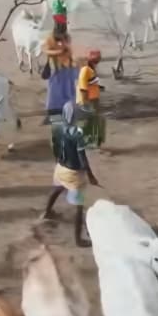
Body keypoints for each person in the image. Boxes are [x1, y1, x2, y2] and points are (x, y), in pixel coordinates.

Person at [43, 102, 100, 247]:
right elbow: (82, 158)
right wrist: (91, 175)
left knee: (57, 189)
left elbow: (55, 147)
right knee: (79, 207)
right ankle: (78, 240)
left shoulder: (58, 127)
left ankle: (47, 212)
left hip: (60, 168)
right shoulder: (77, 133)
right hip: (74, 174)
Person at [43, 23, 78, 123]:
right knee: (54, 91)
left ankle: (67, 111)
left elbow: (70, 50)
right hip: (55, 68)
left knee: (68, 91)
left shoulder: (67, 38)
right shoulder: (50, 38)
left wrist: (65, 47)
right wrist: (58, 52)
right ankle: (53, 112)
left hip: (67, 68)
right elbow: (46, 51)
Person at [75, 50, 105, 148]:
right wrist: (85, 104)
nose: (99, 60)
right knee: (87, 122)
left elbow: (91, 83)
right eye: (98, 58)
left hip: (93, 99)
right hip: (88, 100)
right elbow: (83, 88)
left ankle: (93, 142)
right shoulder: (85, 70)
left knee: (94, 121)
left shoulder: (91, 69)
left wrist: (98, 87)